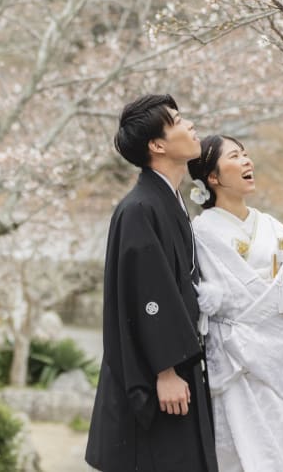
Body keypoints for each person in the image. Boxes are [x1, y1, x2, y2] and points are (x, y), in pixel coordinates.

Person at [85, 94, 218, 472]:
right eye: (177, 121)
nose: (190, 125)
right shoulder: (140, 208)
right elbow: (148, 296)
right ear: (157, 145)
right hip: (159, 376)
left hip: (178, 366)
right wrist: (166, 370)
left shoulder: (167, 200)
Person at [187, 134, 283, 472]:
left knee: (282, 451)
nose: (247, 161)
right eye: (235, 156)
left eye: (247, 154)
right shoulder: (198, 233)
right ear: (213, 177)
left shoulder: (275, 229)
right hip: (235, 362)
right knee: (236, 454)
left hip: (282, 361)